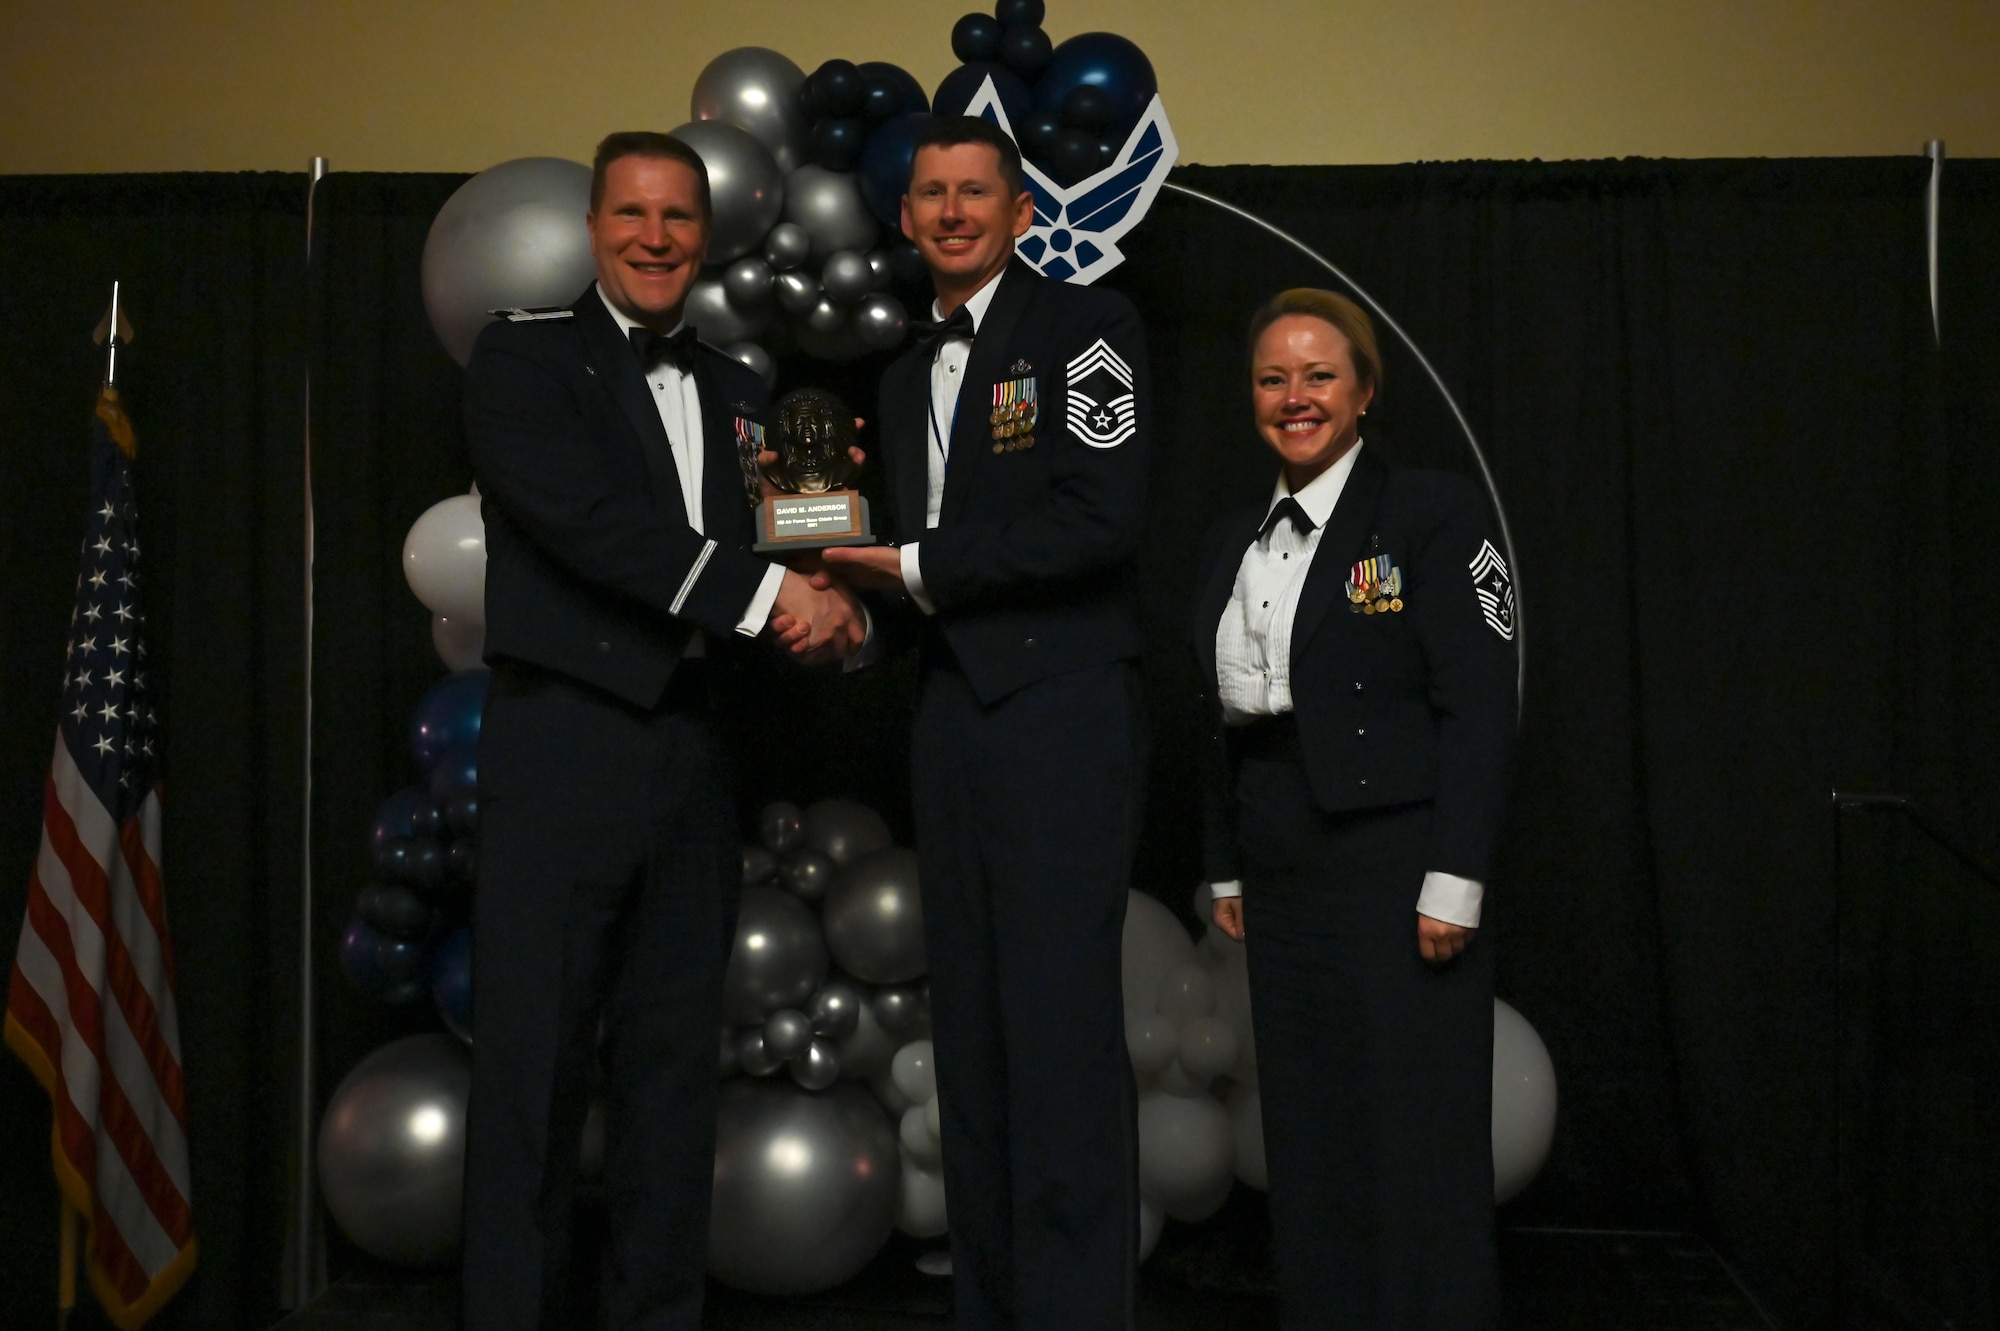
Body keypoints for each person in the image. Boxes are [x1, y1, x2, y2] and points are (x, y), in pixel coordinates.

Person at [458, 131, 866, 1331]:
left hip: (693, 747)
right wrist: (766, 596)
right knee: (532, 1074)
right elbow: (594, 528)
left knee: (673, 1074)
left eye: (677, 218)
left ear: (706, 236)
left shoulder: (745, 389)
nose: (653, 237)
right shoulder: (521, 361)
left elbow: (796, 545)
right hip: (562, 747)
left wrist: (839, 608)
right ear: (593, 228)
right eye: (631, 214)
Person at [821, 116, 1151, 1327]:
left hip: (1062, 716)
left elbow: (1096, 519)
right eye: (930, 195)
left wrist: (901, 567)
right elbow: (907, 576)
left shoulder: (1087, 331)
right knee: (970, 1037)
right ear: (903, 219)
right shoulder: (902, 375)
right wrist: (842, 610)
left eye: (976, 192)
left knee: (1059, 1038)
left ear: (1019, 212)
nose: (952, 212)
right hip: (949, 721)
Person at [1190, 289, 1517, 1328]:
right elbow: (1214, 716)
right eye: (1272, 377)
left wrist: (1455, 876)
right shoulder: (1229, 533)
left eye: (1317, 374)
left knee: (1414, 1131)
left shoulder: (1429, 510)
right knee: (1310, 1125)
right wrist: (1227, 861)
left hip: (1395, 857)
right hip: (1280, 855)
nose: (1294, 397)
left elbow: (1477, 704)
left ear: (1365, 392)